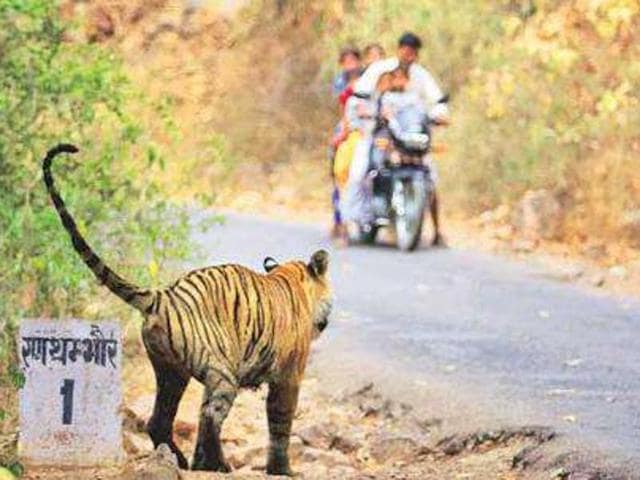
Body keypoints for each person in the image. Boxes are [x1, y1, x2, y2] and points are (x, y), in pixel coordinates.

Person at [343, 32, 449, 246]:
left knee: (431, 178)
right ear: (399, 49)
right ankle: (348, 227)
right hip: (378, 133)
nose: (408, 56)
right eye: (406, 51)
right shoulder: (381, 71)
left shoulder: (420, 76)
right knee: (359, 173)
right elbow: (360, 98)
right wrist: (367, 111)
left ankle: (437, 232)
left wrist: (440, 114)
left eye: (413, 53)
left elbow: (436, 101)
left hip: (409, 137)